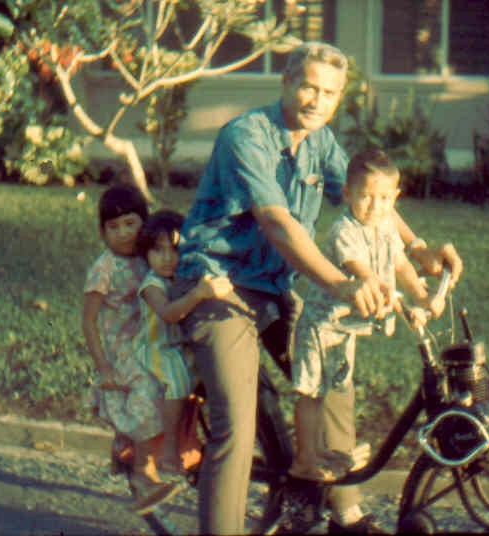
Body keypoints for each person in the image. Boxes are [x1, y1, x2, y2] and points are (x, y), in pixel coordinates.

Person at [173, 42, 463, 534]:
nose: (316, 100)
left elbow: (370, 195)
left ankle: (344, 513)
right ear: (286, 83)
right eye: (308, 87)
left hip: (276, 287)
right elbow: (277, 223)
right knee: (236, 429)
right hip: (218, 287)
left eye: (328, 93)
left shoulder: (321, 142)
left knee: (333, 380)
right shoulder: (248, 136)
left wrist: (418, 249)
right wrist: (340, 283)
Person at [289, 148, 445, 484]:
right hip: (321, 324)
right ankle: (305, 460)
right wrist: (385, 292)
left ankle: (323, 452)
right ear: (346, 194)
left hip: (345, 328)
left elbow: (401, 263)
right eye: (365, 197)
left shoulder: (386, 223)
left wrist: (422, 295)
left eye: (385, 198)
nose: (375, 207)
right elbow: (360, 271)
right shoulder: (344, 230)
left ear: (396, 198)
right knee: (312, 392)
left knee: (336, 387)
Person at [81, 185, 183, 516]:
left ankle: (127, 445)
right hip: (122, 352)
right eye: (113, 227)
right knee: (150, 390)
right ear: (102, 232)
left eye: (130, 223)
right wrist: (103, 367)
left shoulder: (148, 256)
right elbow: (89, 321)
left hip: (149, 340)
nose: (123, 234)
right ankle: (143, 473)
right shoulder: (105, 268)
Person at [134, 209, 233, 474]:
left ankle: (201, 436)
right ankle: (169, 450)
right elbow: (168, 314)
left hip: (183, 346)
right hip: (158, 348)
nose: (167, 259)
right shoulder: (152, 285)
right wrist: (199, 294)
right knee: (177, 381)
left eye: (174, 250)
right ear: (146, 254)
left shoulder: (184, 277)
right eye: (158, 251)